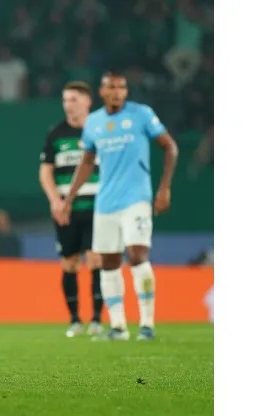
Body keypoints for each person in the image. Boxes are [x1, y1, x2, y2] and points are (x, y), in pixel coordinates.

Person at [56, 71, 178, 341]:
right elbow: (87, 163)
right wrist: (69, 199)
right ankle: (119, 327)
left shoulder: (142, 114)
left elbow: (170, 147)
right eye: (112, 87)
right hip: (106, 204)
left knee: (137, 256)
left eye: (122, 88)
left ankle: (147, 324)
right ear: (102, 92)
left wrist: (164, 187)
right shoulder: (95, 123)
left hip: (136, 199)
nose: (118, 92)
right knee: (109, 263)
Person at [39, 81, 103, 338]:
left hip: (98, 206)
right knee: (70, 262)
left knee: (96, 258)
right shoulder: (56, 134)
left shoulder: (99, 131)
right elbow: (45, 172)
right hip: (67, 210)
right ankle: (75, 320)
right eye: (65, 100)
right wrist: (55, 201)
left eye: (74, 99)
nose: (69, 105)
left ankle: (97, 319)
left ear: (88, 102)